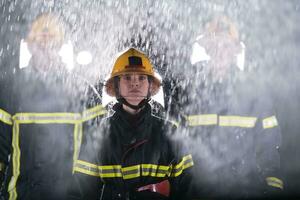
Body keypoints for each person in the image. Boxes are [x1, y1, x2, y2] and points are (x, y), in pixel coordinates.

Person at [175, 16, 283, 199]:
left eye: (226, 46)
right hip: (199, 192)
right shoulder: (188, 89)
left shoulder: (255, 91)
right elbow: (176, 144)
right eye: (215, 45)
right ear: (207, 49)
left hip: (246, 191)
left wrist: (272, 186)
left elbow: (269, 142)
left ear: (235, 50)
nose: (220, 52)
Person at [0, 13, 106, 200]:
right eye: (40, 43)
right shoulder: (9, 90)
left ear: (59, 46)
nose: (45, 48)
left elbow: (100, 148)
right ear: (30, 46)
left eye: (51, 43)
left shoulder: (83, 90)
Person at [70, 48, 194, 200]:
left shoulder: (169, 132)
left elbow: (188, 189)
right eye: (127, 78)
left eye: (142, 78)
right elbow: (80, 192)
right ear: (116, 86)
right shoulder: (98, 135)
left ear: (150, 86)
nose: (135, 84)